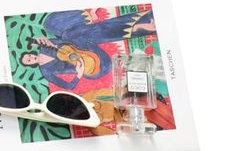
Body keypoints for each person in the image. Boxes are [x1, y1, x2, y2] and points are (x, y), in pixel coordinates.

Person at [19, 9, 155, 90]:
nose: (31, 58)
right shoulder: (46, 71)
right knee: (74, 34)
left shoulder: (44, 48)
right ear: (31, 64)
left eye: (28, 56)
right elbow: (68, 86)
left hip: (84, 47)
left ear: (30, 53)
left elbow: (67, 44)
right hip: (94, 66)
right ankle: (136, 27)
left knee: (55, 26)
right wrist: (79, 74)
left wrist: (52, 44)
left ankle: (137, 27)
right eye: (29, 61)